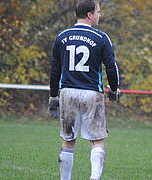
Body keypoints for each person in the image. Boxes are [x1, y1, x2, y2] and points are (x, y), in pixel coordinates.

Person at [48, 0, 120, 179]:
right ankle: (94, 178)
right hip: (91, 93)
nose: (99, 15)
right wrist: (114, 88)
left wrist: (53, 95)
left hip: (67, 92)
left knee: (68, 140)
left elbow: (54, 69)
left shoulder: (61, 36)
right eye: (98, 11)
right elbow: (111, 67)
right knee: (97, 140)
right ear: (89, 15)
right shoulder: (101, 37)